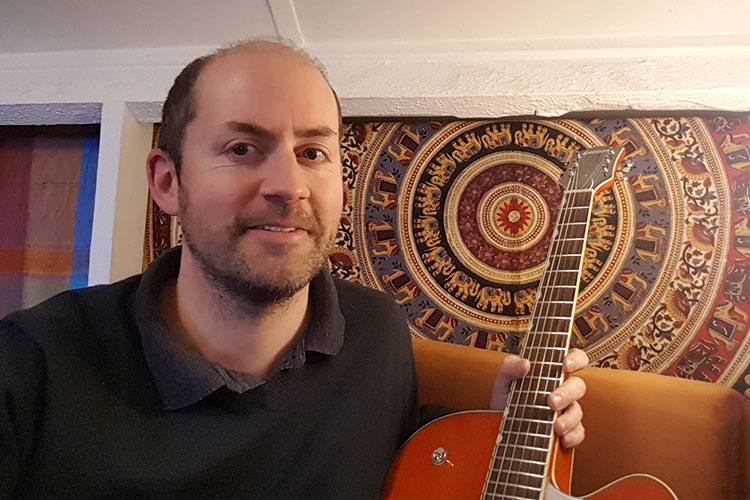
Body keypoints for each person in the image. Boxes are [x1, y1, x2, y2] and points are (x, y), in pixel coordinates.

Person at [0, 39, 587, 498]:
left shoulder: (377, 333)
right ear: (167, 181)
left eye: (313, 153)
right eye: (241, 149)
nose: (288, 186)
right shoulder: (29, 368)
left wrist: (500, 429)